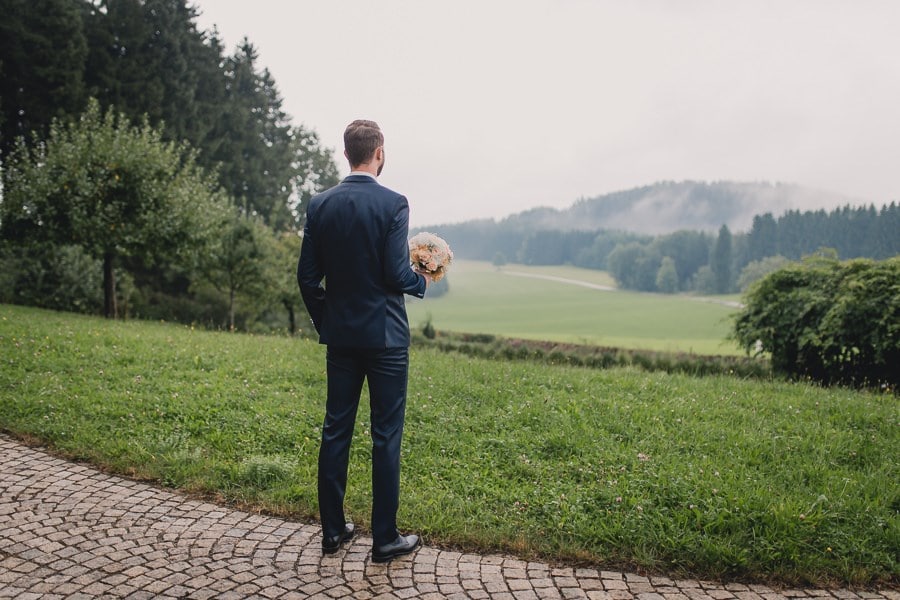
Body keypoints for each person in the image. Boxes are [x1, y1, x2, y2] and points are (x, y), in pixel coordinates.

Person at [297, 119, 429, 563]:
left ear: (347, 153)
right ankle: (385, 539)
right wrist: (422, 279)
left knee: (336, 429)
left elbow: (308, 278)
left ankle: (333, 532)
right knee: (384, 436)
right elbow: (396, 274)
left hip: (341, 338)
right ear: (379, 153)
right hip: (387, 339)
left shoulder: (320, 204)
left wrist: (326, 320)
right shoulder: (394, 203)